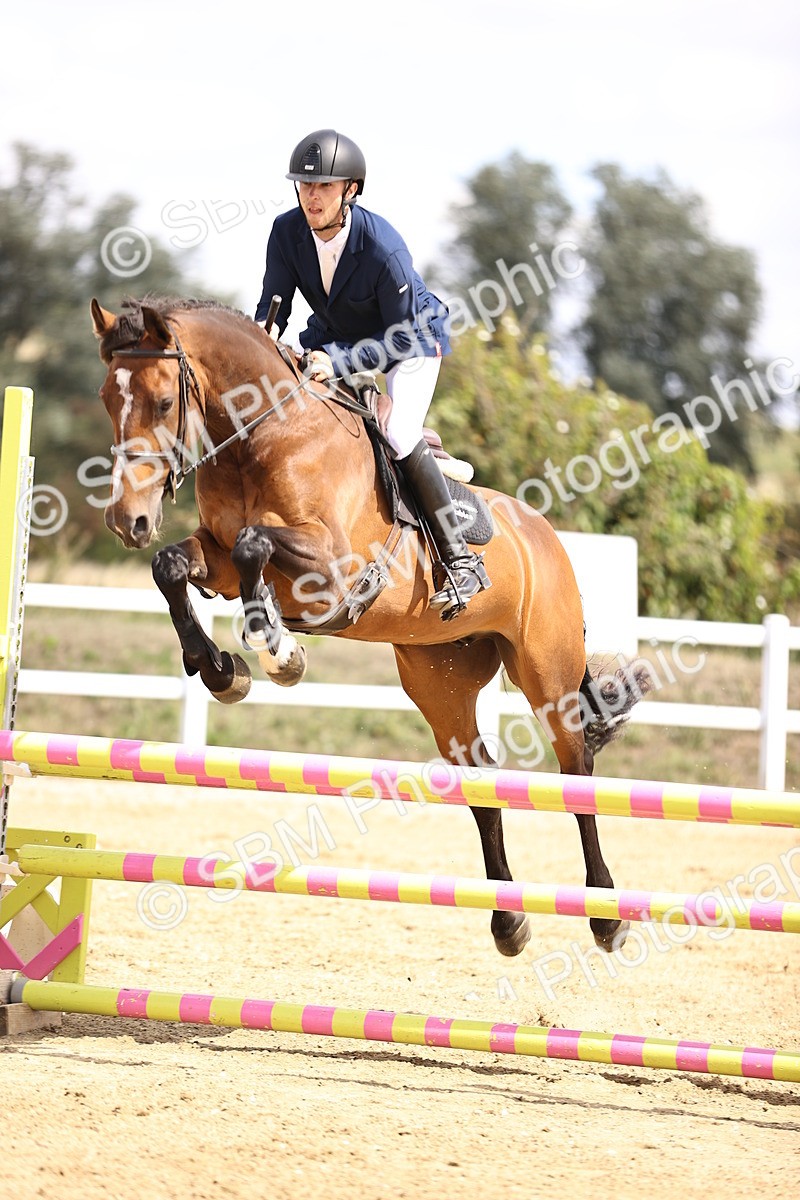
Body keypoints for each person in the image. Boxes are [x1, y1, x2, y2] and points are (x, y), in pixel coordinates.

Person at [254, 128, 490, 619]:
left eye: (323, 187)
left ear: (350, 190)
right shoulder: (285, 232)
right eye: (304, 185)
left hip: (411, 342)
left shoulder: (384, 248)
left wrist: (337, 363)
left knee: (396, 430)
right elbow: (272, 308)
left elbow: (399, 336)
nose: (311, 196)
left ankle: (461, 561)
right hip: (337, 335)